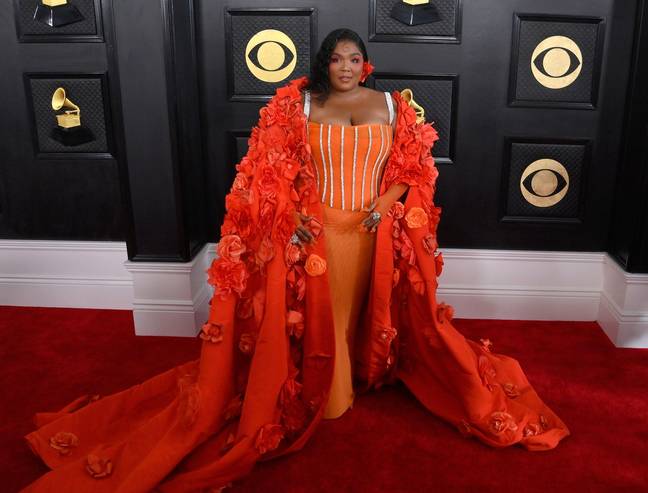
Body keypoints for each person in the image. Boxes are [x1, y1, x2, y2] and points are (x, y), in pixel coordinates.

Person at [20, 28, 570, 493]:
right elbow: (267, 172)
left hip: (373, 232)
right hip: (317, 234)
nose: (347, 67)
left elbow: (414, 170)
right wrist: (293, 216)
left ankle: (359, 367)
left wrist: (385, 202)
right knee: (322, 315)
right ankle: (332, 393)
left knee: (362, 311)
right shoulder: (298, 104)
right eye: (336, 58)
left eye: (355, 59)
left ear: (366, 64)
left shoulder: (393, 106)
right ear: (323, 63)